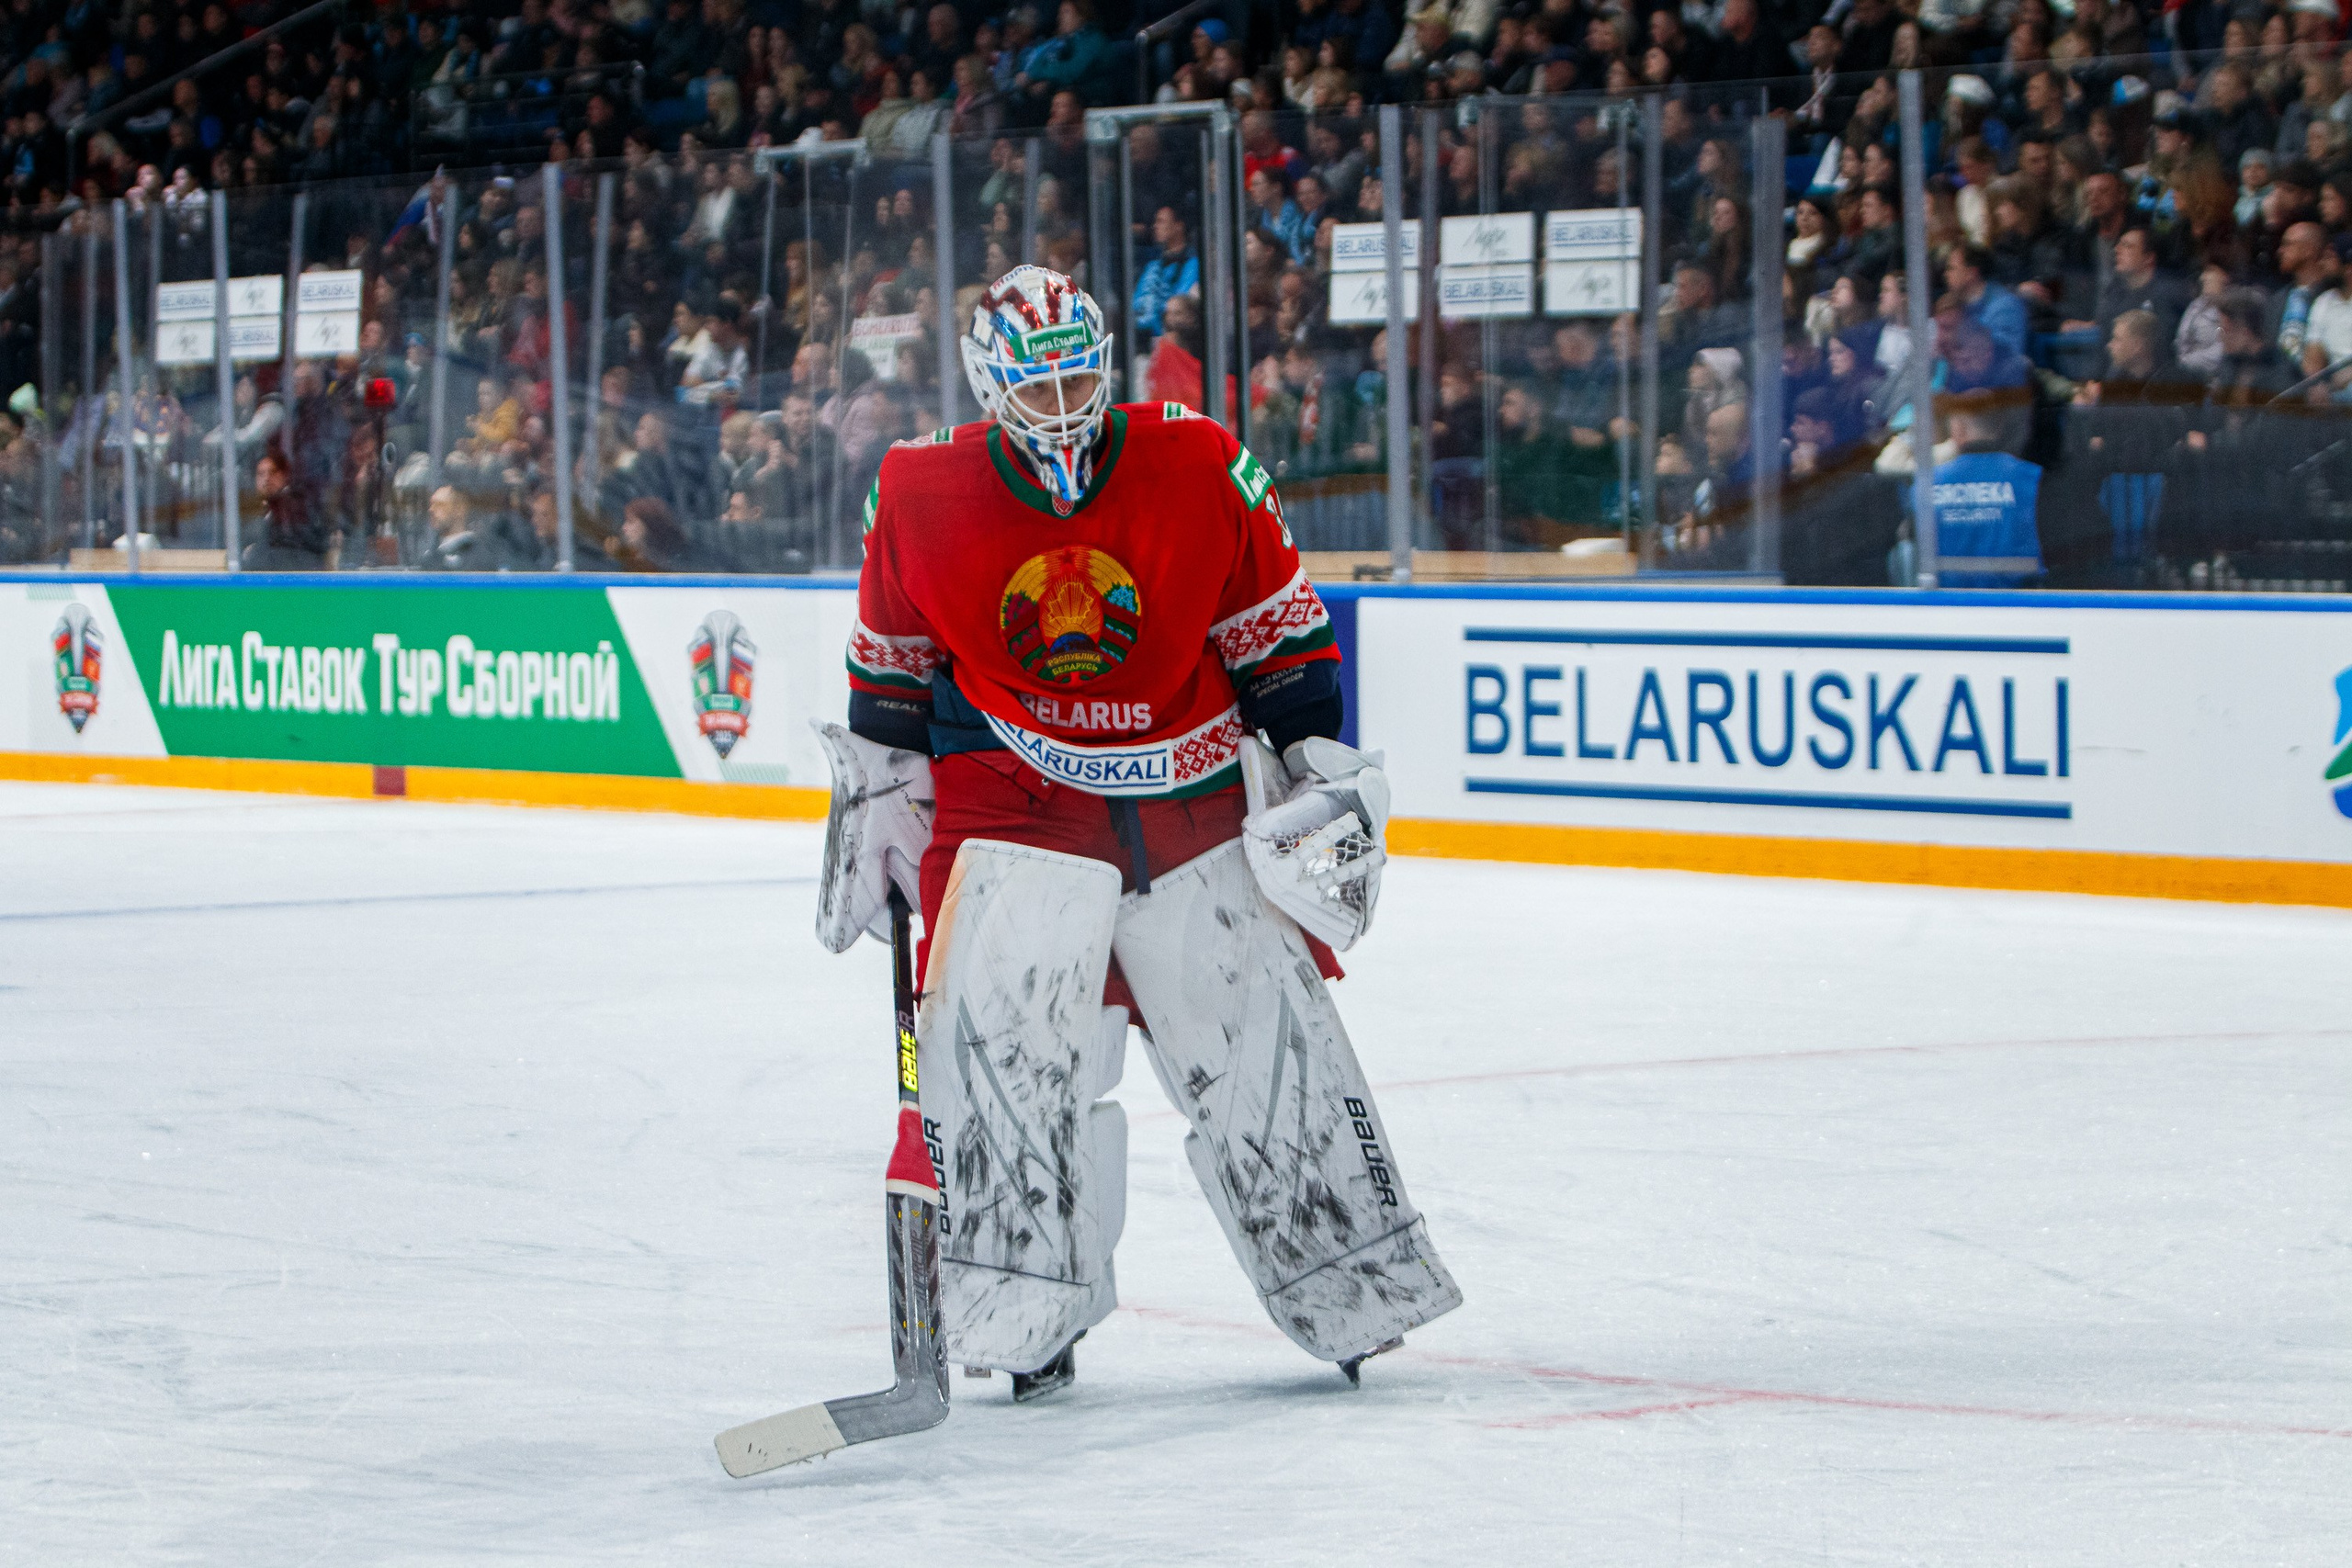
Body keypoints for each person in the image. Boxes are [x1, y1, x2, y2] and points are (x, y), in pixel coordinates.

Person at [817, 265, 1460, 1401]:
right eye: (1038, 384)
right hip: (1013, 808)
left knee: (1263, 1044)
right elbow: (889, 684)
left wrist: (1310, 760)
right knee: (1011, 1066)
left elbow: (1279, 638)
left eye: (1079, 379)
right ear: (987, 385)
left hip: (1193, 797)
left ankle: (1348, 1276)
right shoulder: (919, 487)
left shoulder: (1198, 456)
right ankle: (1024, 1316)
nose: (1063, 406)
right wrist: (877, 800)